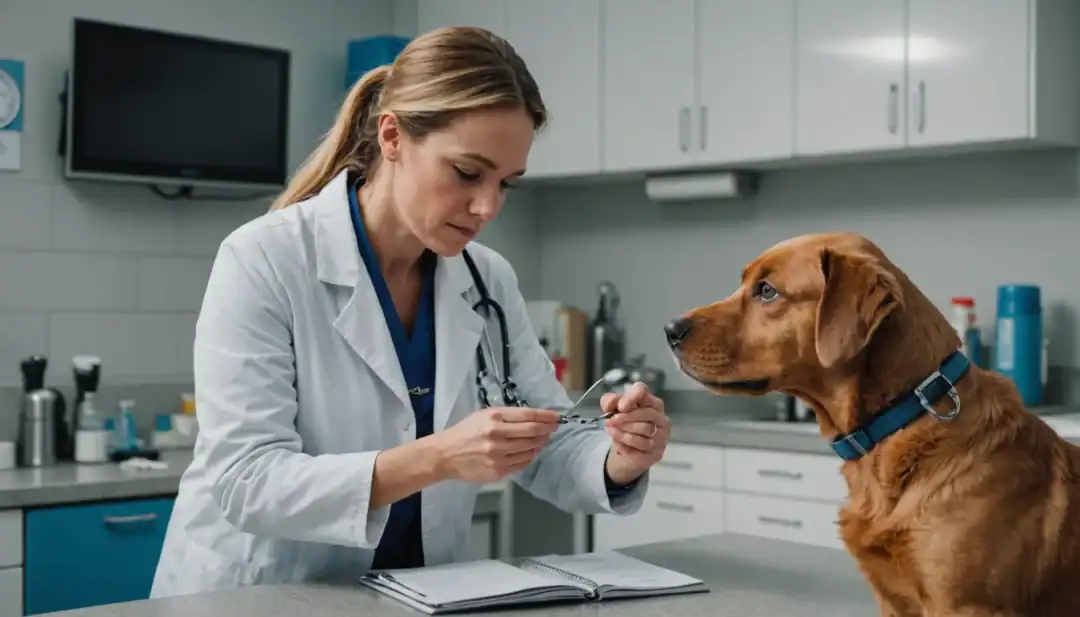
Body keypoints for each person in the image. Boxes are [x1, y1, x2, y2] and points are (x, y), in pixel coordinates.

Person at [150, 26, 671, 598]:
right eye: (468, 173)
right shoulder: (264, 260)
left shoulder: (487, 278)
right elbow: (246, 481)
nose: (486, 207)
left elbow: (546, 444)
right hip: (262, 597)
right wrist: (440, 457)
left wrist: (619, 458)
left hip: (414, 596)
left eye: (507, 185)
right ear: (393, 136)